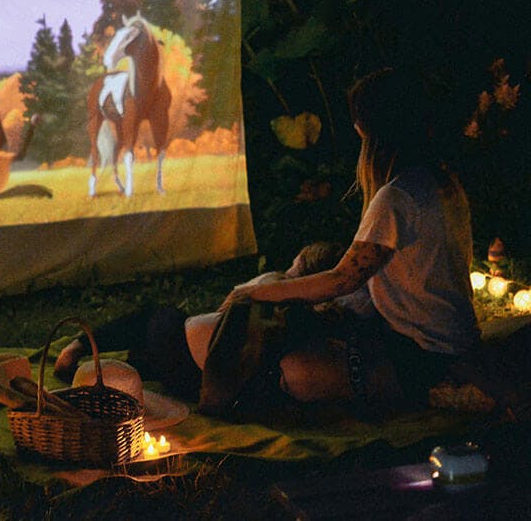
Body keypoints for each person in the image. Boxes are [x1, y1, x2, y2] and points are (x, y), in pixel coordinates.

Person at [221, 67, 481, 407]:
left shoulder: (397, 197)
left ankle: (433, 390)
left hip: (425, 353)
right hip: (456, 341)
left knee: (294, 371)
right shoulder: (441, 181)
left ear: (371, 131)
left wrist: (253, 293)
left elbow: (338, 281)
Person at [53, 241, 346, 401]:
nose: (289, 268)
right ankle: (116, 367)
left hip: (186, 358)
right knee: (149, 352)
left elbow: (229, 306)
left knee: (156, 314)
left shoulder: (279, 288)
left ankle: (77, 347)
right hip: (195, 385)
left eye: (295, 264)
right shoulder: (325, 328)